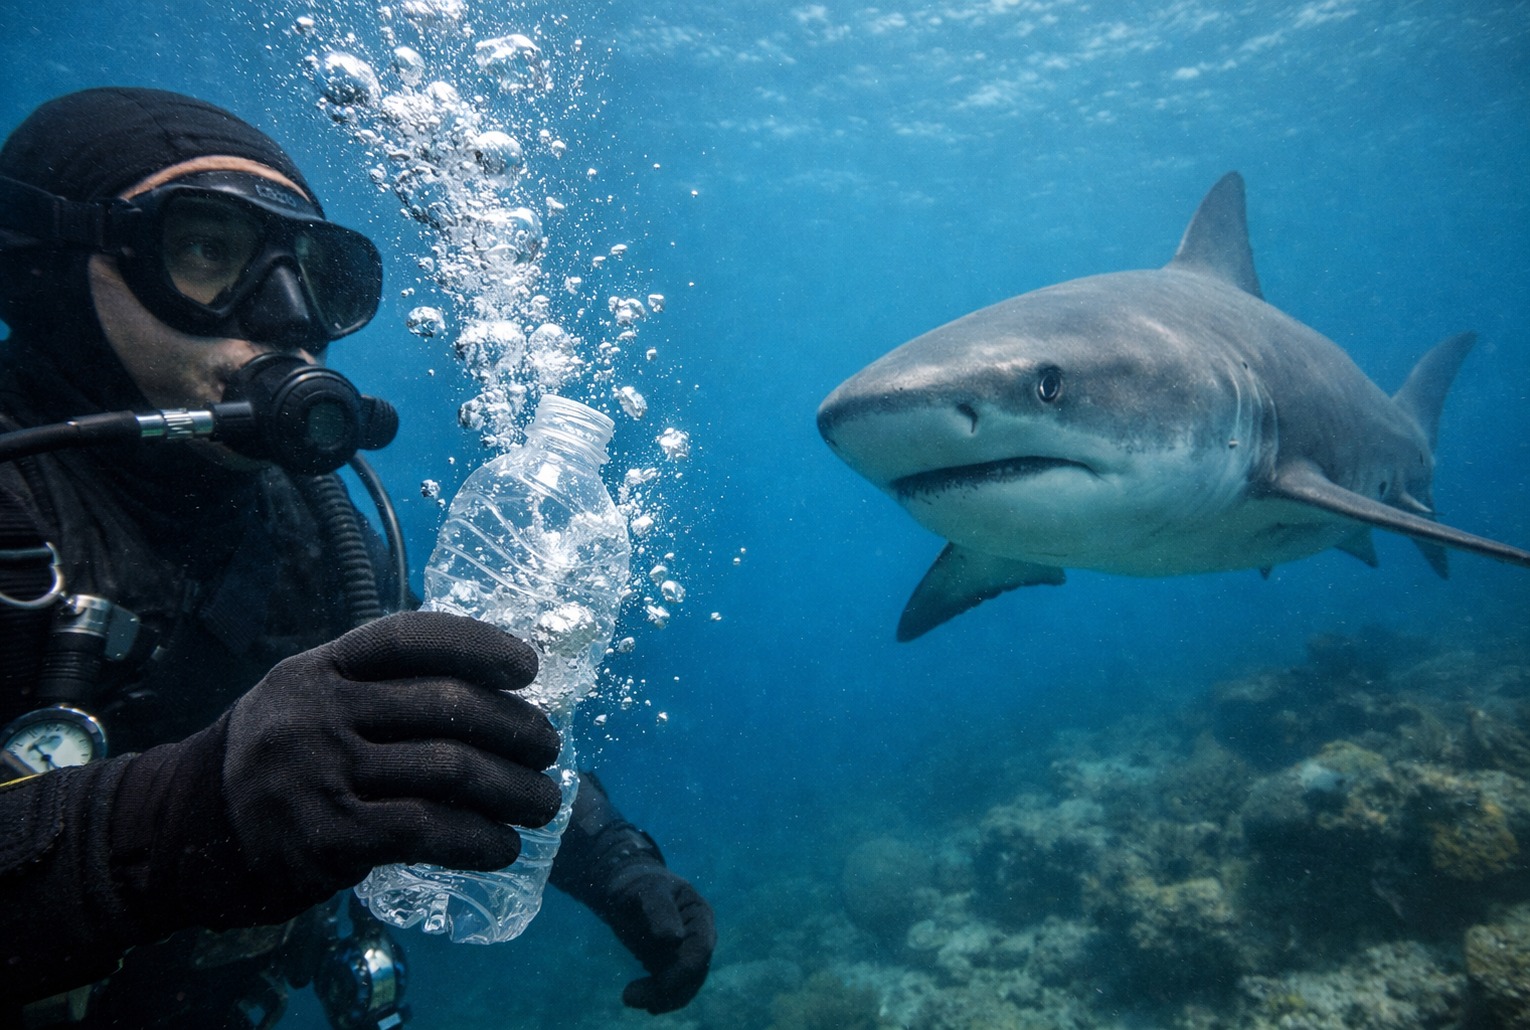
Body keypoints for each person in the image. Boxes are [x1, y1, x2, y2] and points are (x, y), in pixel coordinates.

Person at [0, 86, 714, 1029]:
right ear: (48, 266)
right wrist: (187, 812)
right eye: (208, 250)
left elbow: (453, 717)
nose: (286, 318)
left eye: (310, 274)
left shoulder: (313, 525)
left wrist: (617, 861)